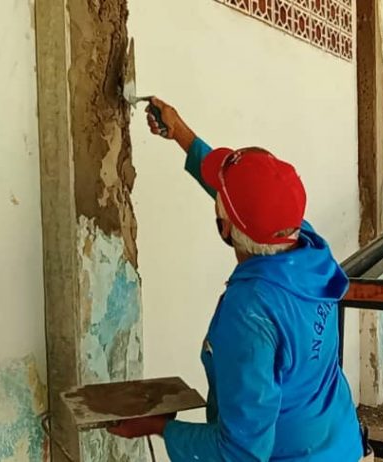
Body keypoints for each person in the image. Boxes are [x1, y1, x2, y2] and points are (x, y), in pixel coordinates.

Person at [107, 98, 368, 461]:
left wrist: (160, 427)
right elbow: (247, 203)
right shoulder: (304, 247)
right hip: (340, 444)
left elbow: (241, 453)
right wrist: (180, 133)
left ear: (224, 227)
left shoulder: (250, 314)